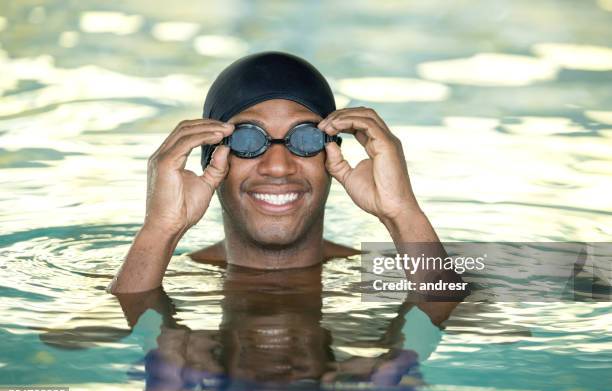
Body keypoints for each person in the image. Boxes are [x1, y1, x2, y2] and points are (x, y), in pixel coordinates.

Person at [107, 51, 449, 294]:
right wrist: (160, 229)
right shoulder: (169, 276)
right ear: (212, 157)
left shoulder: (380, 274)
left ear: (332, 159)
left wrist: (402, 212)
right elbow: (76, 341)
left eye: (305, 138)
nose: (278, 166)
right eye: (246, 139)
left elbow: (467, 321)